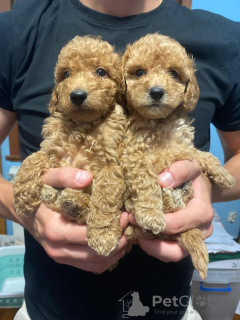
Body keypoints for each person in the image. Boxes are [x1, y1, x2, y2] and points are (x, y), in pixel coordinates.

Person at [0, 0, 239, 319]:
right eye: (138, 73)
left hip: (170, 309)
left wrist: (203, 186)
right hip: (48, 309)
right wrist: (25, 211)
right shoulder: (14, 31)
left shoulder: (225, 38)